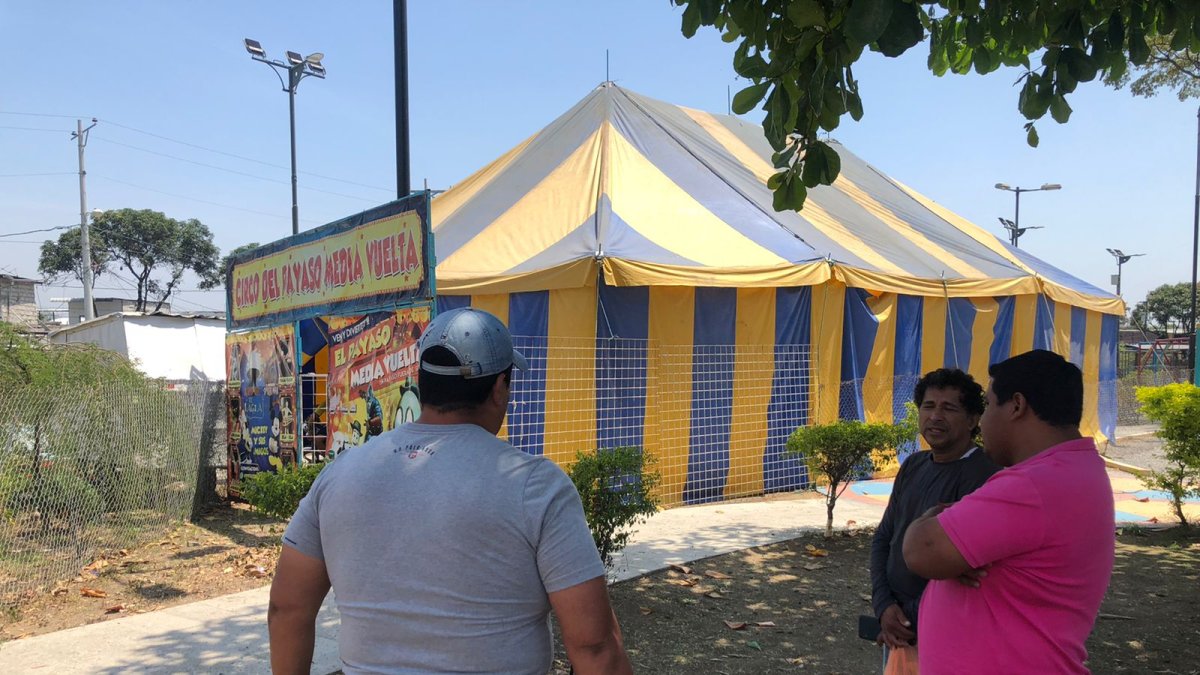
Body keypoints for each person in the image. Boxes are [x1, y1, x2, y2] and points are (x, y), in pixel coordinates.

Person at [268, 307, 632, 675]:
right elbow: (595, 645)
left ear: (423, 381)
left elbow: (287, 608)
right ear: (499, 388)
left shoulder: (339, 476)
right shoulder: (534, 486)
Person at [903, 350, 1115, 674]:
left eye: (988, 405)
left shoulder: (1034, 485)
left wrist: (930, 517)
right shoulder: (1079, 468)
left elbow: (922, 550)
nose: (984, 420)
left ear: (1016, 406)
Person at [869, 368, 999, 670]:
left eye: (949, 408)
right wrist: (883, 605)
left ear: (972, 419)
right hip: (898, 628)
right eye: (928, 406)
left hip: (945, 633)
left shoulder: (985, 476)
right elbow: (884, 538)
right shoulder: (914, 465)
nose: (935, 416)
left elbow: (966, 572)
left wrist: (904, 620)